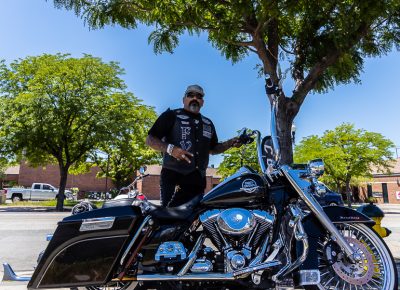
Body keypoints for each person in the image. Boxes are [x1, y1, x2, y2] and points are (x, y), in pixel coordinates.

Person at [146, 84, 242, 207]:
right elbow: (150, 139)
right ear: (183, 99)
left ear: (202, 102)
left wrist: (231, 143)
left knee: (193, 217)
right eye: (190, 95)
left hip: (197, 179)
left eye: (199, 96)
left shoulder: (208, 123)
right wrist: (171, 149)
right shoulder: (171, 116)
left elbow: (213, 149)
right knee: (168, 216)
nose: (195, 98)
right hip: (173, 175)